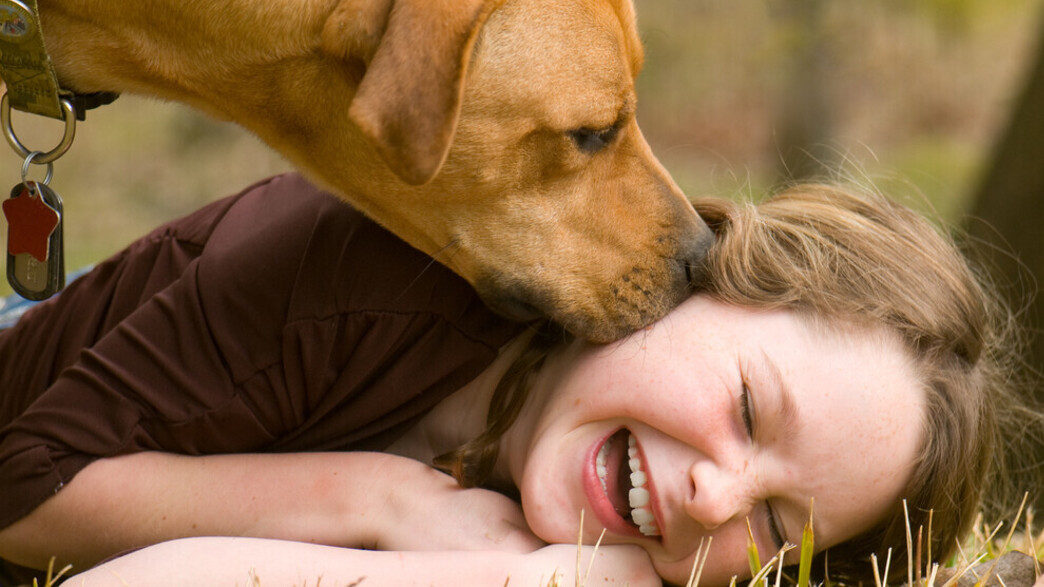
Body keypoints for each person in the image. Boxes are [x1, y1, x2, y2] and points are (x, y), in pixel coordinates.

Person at [0, 173, 1033, 586]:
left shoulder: (634, 537)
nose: (715, 495)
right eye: (750, 407)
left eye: (775, 524)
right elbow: (19, 492)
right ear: (704, 272)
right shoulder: (366, 260)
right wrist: (384, 502)